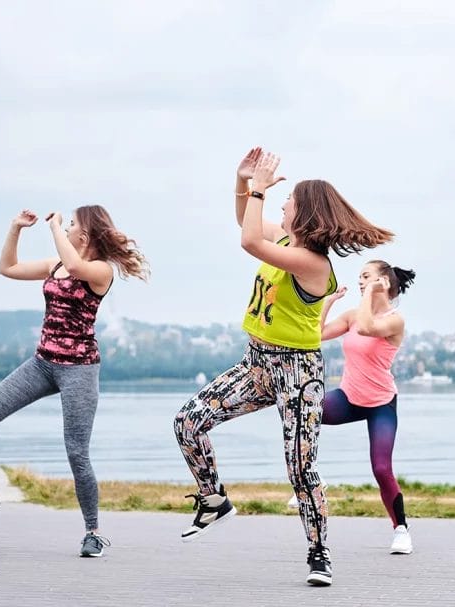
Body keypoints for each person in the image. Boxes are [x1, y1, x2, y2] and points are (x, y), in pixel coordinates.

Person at [173, 147, 394, 586]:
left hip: (297, 373)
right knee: (188, 422)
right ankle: (214, 499)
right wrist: (242, 183)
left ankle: (319, 552)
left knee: (299, 465)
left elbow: (249, 241)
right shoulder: (286, 242)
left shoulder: (312, 264)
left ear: (305, 213)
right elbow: (246, 224)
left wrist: (256, 190)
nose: (281, 201)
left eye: (288, 199)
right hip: (256, 364)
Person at [0, 206, 149, 558]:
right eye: (67, 223)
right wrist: (15, 228)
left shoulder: (99, 271)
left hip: (80, 370)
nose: (67, 227)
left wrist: (54, 227)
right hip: (42, 363)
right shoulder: (54, 265)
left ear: (83, 236)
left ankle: (93, 532)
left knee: (76, 452)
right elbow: (7, 268)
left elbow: (75, 266)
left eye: (73, 224)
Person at [310, 260, 416, 554]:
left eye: (366, 276)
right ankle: (312, 480)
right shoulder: (353, 315)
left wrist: (370, 293)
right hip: (349, 397)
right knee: (305, 412)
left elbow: (369, 327)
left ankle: (401, 531)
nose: (359, 281)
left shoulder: (395, 320)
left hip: (381, 404)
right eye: (359, 277)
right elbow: (316, 334)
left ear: (383, 281)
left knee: (382, 469)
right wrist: (328, 303)